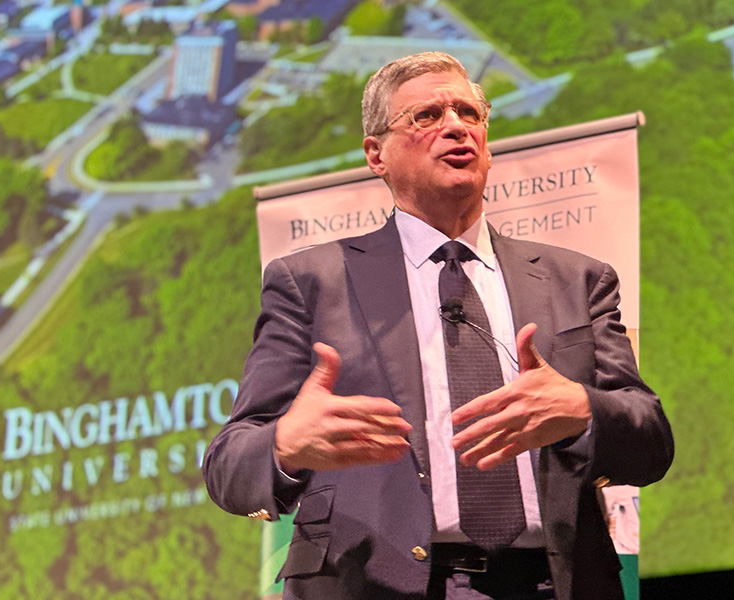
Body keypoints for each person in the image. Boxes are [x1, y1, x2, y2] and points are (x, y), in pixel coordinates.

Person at [203, 52, 673, 600]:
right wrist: (285, 445)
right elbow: (227, 467)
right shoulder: (310, 282)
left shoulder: (578, 279)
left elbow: (651, 443)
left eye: (469, 113)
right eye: (426, 116)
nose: (456, 126)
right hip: (373, 585)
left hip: (554, 583)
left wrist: (582, 412)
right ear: (376, 154)